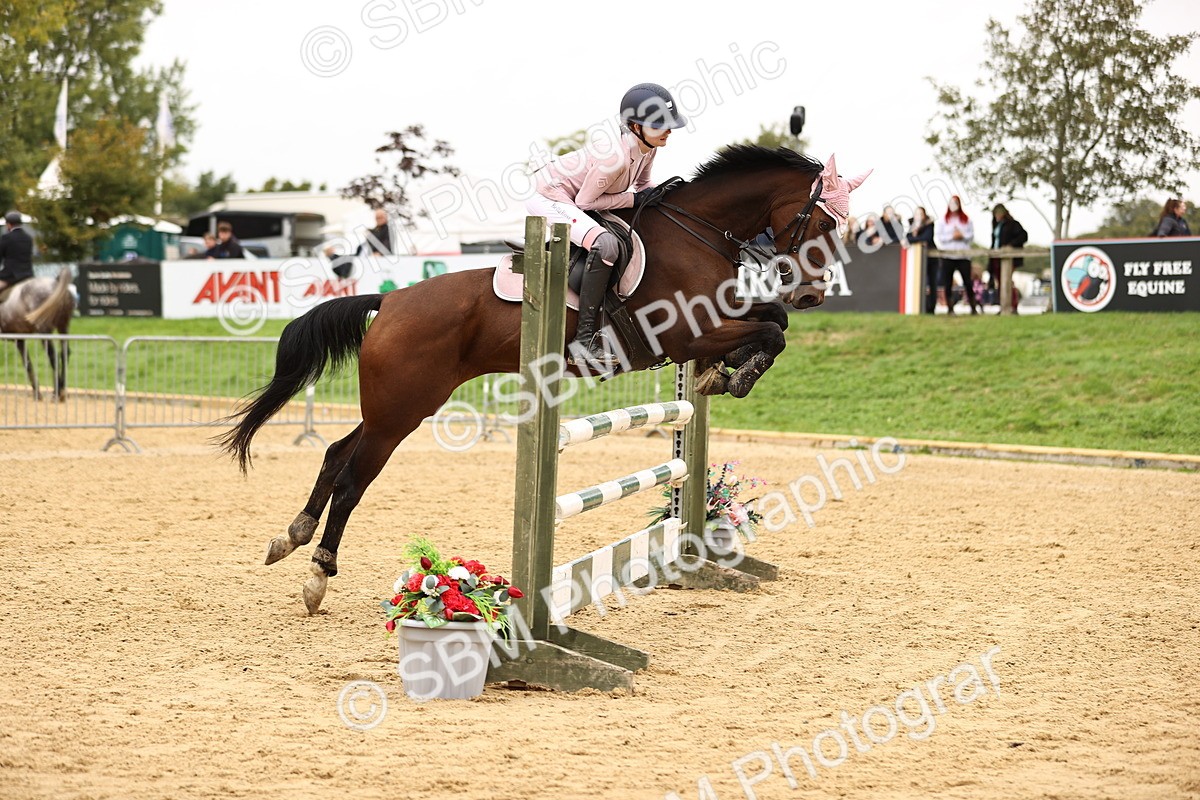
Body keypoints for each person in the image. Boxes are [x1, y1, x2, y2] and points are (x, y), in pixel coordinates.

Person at [526, 82, 687, 367]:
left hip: (576, 198)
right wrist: (634, 199)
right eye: (660, 125)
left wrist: (668, 196)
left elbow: (643, 186)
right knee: (606, 244)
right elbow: (586, 203)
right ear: (636, 127)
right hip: (551, 197)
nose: (669, 130)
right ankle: (584, 339)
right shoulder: (614, 158)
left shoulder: (648, 148)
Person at [934, 195, 979, 315]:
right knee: (947, 282)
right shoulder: (943, 220)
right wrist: (952, 236)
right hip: (948, 256)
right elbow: (940, 237)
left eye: (956, 203)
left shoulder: (966, 220)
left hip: (963, 255)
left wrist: (962, 236)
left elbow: (971, 236)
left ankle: (973, 307)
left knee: (967, 282)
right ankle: (950, 308)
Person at [987, 203, 1028, 306]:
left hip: (1008, 257)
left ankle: (1012, 305)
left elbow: (1023, 236)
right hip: (996, 257)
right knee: (1000, 282)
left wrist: (1010, 245)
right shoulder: (996, 225)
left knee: (1007, 281)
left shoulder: (1013, 224)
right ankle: (1003, 305)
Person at [906, 207, 938, 313]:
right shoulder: (912, 226)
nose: (918, 216)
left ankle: (931, 308)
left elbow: (927, 238)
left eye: (920, 214)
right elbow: (908, 238)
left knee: (932, 283)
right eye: (916, 214)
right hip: (917, 259)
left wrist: (915, 239)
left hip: (931, 259)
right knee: (919, 282)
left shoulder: (929, 225)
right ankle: (920, 307)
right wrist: (915, 236)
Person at [0, 210, 34, 302]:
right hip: (28, 274)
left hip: (11, 276)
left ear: (8, 224)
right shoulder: (28, 238)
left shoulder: (6, 237)